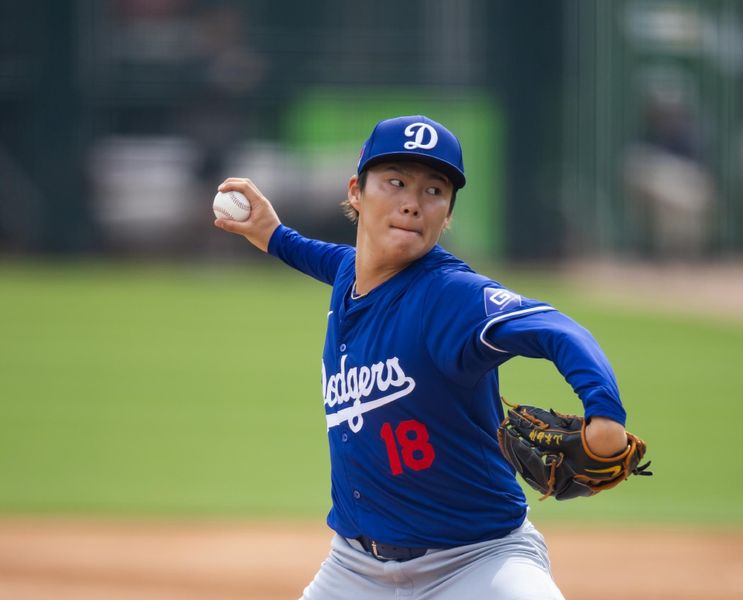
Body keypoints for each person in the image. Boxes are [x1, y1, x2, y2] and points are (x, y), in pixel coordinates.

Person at [214, 116, 630, 599]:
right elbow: (321, 256)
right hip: (354, 570)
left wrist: (605, 413)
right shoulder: (352, 272)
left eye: (434, 191)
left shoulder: (451, 295)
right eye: (395, 183)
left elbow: (560, 330)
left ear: (448, 213)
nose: (412, 204)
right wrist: (272, 235)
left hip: (478, 561)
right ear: (356, 192)